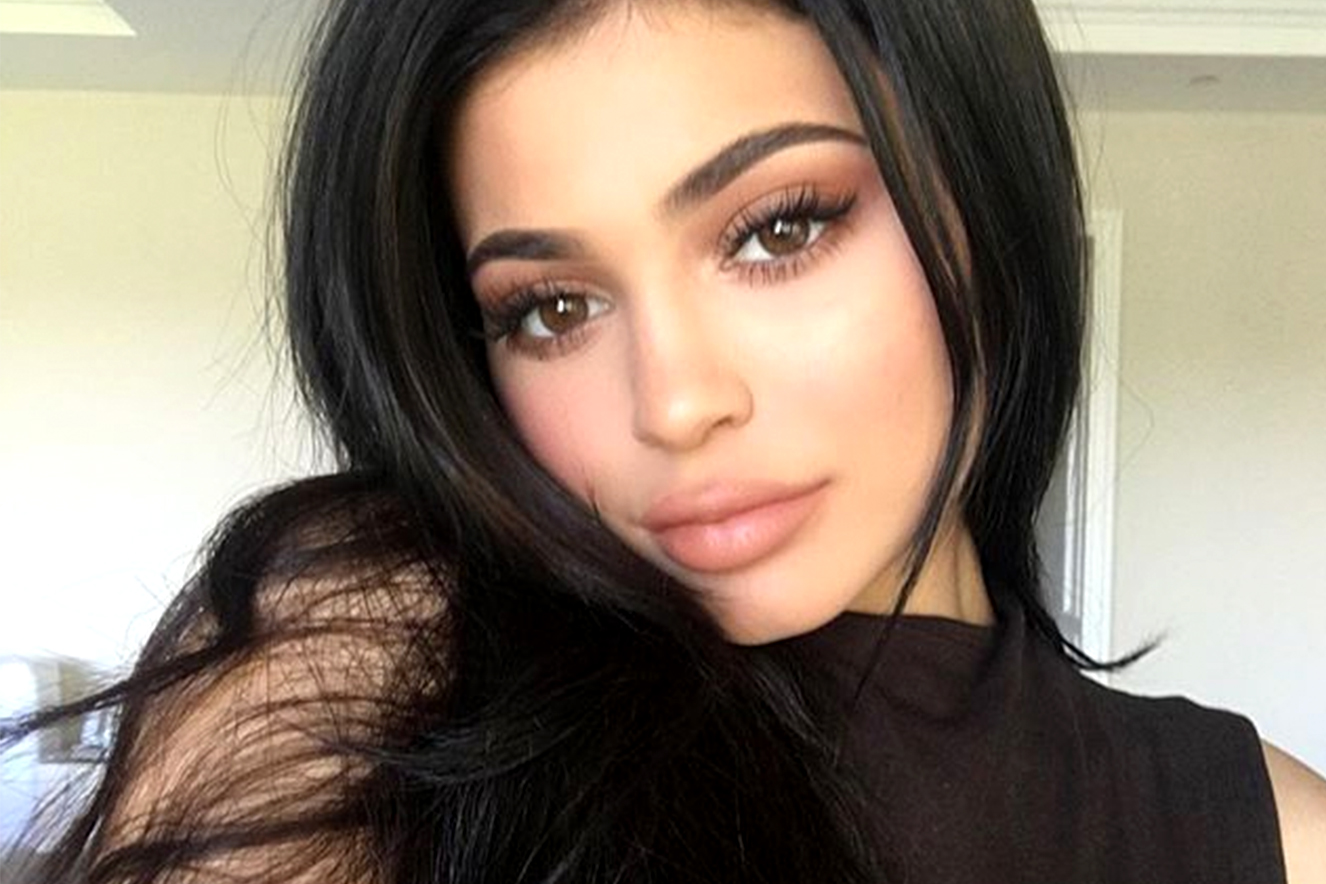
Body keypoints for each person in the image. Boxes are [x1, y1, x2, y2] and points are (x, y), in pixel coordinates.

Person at [5, 0, 1325, 881]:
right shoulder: (377, 649)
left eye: (779, 228)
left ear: (986, 209)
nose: (675, 404)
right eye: (552, 307)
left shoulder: (1271, 833)